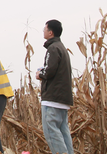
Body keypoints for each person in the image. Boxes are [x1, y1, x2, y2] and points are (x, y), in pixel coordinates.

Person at [37, 19, 74, 154]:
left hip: (53, 98)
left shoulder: (53, 48)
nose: (43, 31)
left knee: (52, 132)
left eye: (45, 29)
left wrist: (39, 74)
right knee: (63, 132)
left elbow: (49, 71)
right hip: (63, 99)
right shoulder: (62, 47)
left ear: (50, 32)